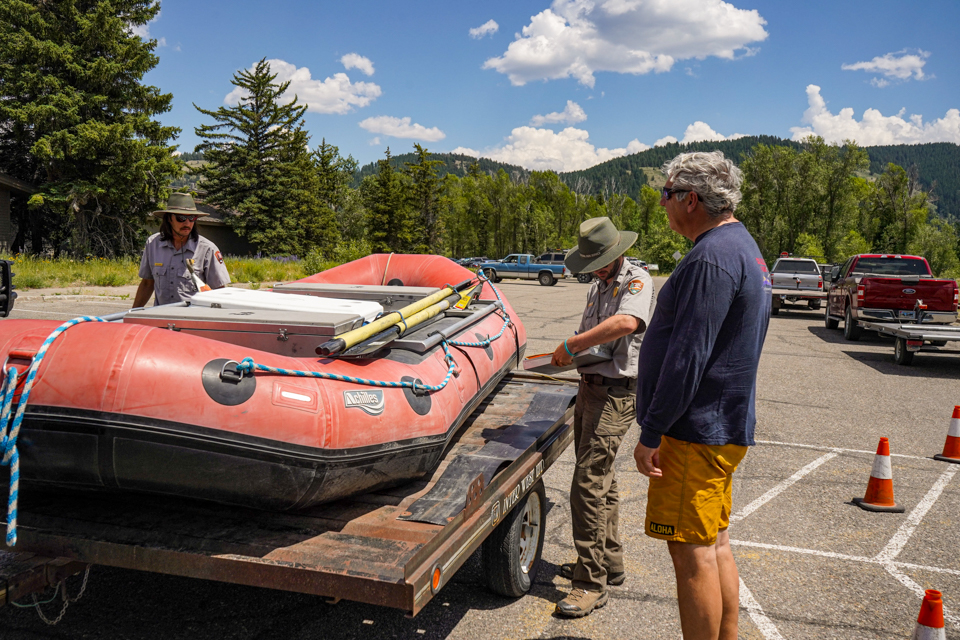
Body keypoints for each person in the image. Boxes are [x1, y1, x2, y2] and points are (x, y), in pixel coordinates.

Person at [633, 151, 771, 640]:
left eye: (666, 194)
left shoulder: (711, 257)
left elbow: (688, 356)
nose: (663, 204)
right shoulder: (742, 246)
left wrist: (652, 430)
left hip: (694, 432)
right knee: (714, 545)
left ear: (690, 199)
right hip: (720, 426)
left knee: (690, 554)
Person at [551, 216, 655, 618]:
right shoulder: (598, 285)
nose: (593, 269)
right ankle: (608, 565)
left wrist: (571, 344)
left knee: (587, 484)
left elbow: (627, 322)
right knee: (601, 477)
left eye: (598, 261)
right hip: (591, 386)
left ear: (616, 253)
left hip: (616, 394)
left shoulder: (636, 280)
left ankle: (589, 583)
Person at [133, 193, 231, 308]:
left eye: (192, 218)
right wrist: (132, 314)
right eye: (181, 218)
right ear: (169, 219)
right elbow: (147, 284)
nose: (187, 223)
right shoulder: (153, 244)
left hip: (192, 321)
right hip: (161, 319)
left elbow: (219, 291)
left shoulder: (207, 249)